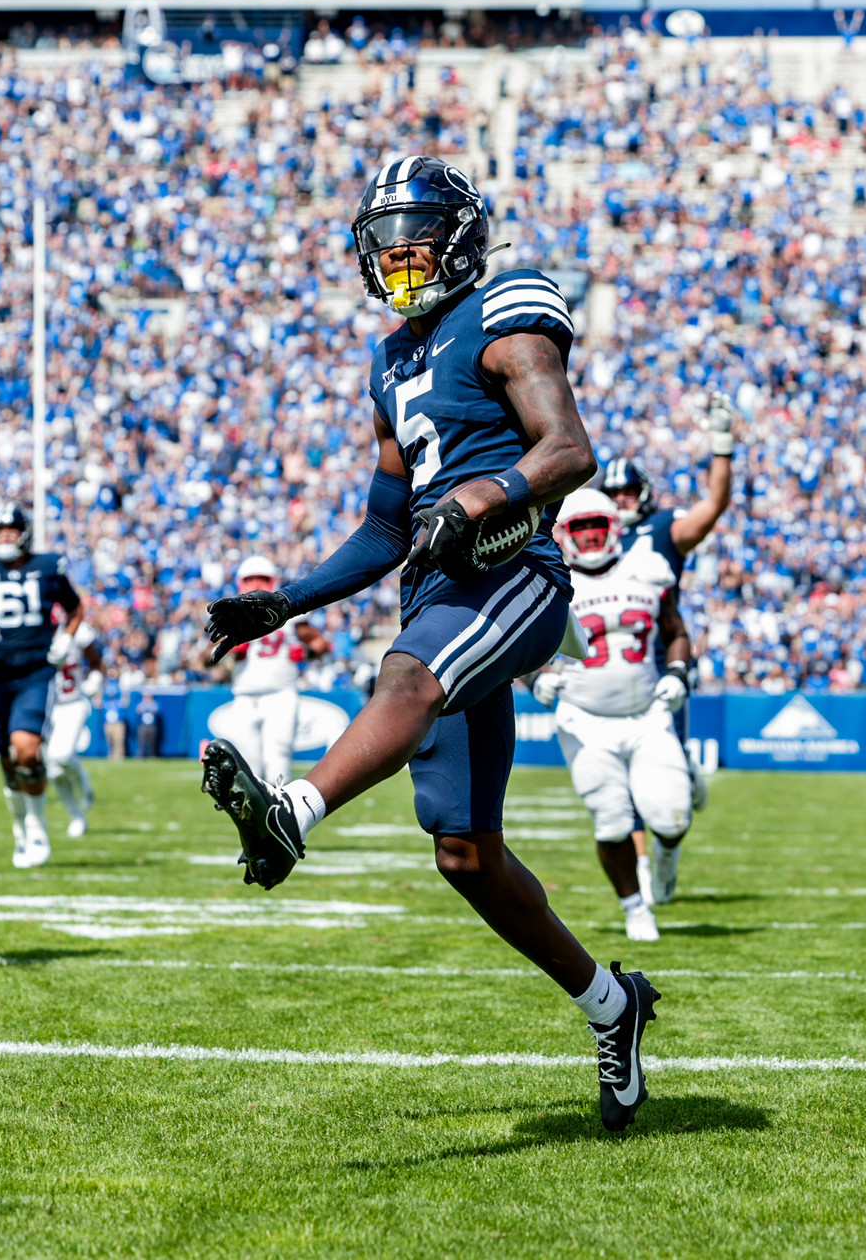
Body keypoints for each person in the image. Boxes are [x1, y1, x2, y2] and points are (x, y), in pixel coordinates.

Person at [197, 155, 659, 1130]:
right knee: (462, 850)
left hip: (514, 571)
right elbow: (386, 526)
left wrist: (486, 497)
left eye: (413, 232)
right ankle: (613, 1009)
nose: (397, 254)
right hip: (439, 585)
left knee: (406, 674)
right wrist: (286, 602)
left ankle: (294, 811)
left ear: (460, 234)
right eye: (382, 240)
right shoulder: (392, 361)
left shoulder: (507, 312)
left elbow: (569, 449)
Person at [531, 490, 694, 942]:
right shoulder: (547, 580)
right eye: (579, 528)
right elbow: (517, 646)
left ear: (614, 526)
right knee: (612, 820)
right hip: (584, 719)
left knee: (671, 817)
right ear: (565, 533)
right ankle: (634, 907)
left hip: (647, 713)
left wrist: (679, 673)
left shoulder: (650, 570)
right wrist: (533, 679)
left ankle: (664, 857)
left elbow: (676, 631)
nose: (588, 536)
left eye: (595, 526)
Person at [599, 397, 737, 830]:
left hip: (659, 655)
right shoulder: (590, 531)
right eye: (613, 492)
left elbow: (713, 504)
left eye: (627, 491)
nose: (620, 499)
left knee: (664, 764)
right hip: (612, 657)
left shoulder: (662, 526)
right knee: (622, 770)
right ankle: (640, 871)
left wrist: (721, 442)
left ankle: (676, 802)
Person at [0, 501, 82, 869]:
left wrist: (65, 638)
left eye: (11, 531)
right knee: (8, 763)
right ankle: (21, 827)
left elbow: (75, 606)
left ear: (24, 533)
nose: (5, 537)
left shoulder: (47, 566)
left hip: (35, 673)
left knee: (26, 750)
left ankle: (38, 828)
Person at [211, 554, 330, 785]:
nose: (255, 585)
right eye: (250, 579)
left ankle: (280, 808)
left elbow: (321, 643)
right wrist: (229, 656)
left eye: (262, 579)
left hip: (281, 693)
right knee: (249, 761)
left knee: (278, 755)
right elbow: (205, 658)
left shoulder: (290, 615)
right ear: (240, 582)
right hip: (244, 694)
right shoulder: (231, 615)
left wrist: (306, 653)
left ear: (272, 581)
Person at [46, 625, 104, 837]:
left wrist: (95, 678)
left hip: (72, 703)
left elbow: (96, 660)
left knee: (60, 755)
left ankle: (82, 778)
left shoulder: (78, 632)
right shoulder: (32, 630)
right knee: (53, 771)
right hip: (42, 706)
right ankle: (76, 816)